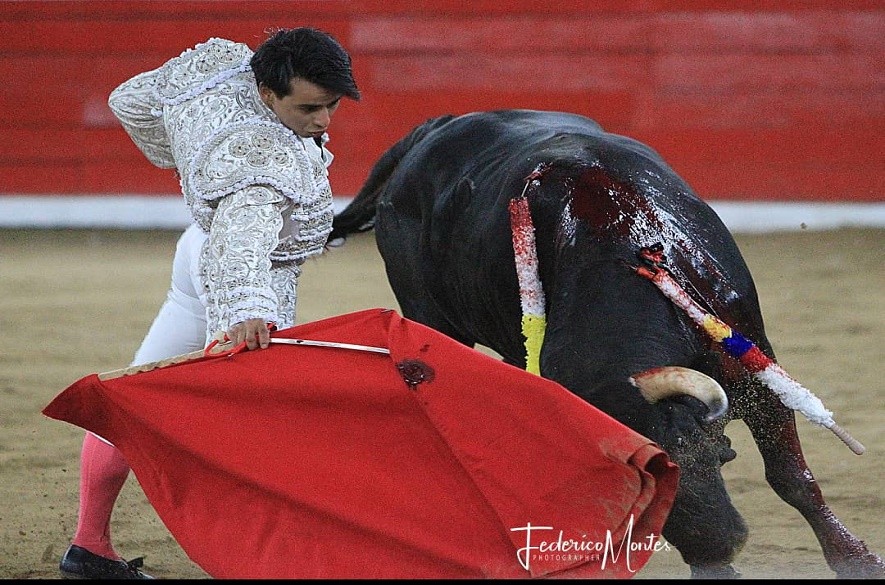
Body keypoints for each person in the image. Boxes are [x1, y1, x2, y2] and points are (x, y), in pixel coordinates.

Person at [58, 27, 360, 579]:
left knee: (133, 396)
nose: (322, 120)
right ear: (267, 93)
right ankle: (261, 561)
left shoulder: (221, 70)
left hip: (194, 250)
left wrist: (187, 152)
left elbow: (129, 100)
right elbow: (240, 243)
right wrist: (245, 312)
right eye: (308, 108)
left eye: (331, 105)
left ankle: (88, 545)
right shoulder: (264, 158)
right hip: (245, 272)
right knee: (259, 425)